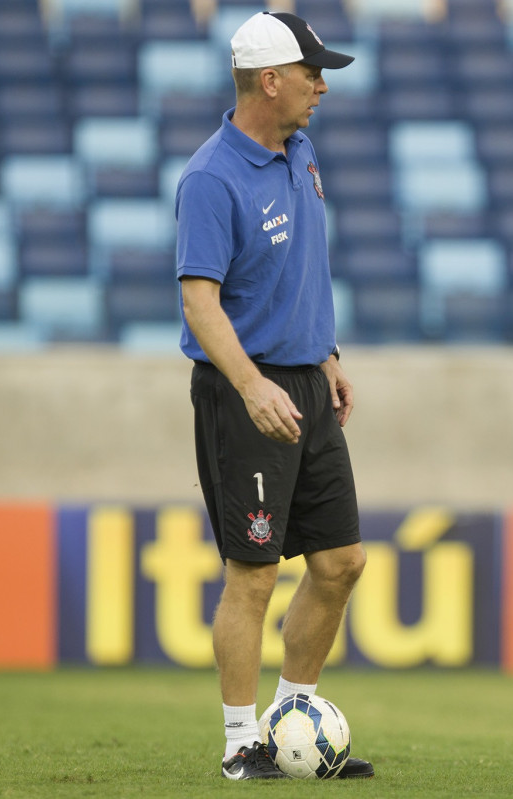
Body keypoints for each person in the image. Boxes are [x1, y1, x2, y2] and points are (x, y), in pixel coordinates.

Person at [173, 11, 373, 781]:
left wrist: (326, 357)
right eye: (312, 73)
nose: (322, 86)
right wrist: (252, 384)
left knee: (342, 562)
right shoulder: (210, 178)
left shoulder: (302, 151)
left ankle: (293, 721)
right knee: (252, 573)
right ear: (270, 80)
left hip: (306, 383)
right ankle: (237, 742)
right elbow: (200, 302)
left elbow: (300, 270)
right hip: (242, 389)